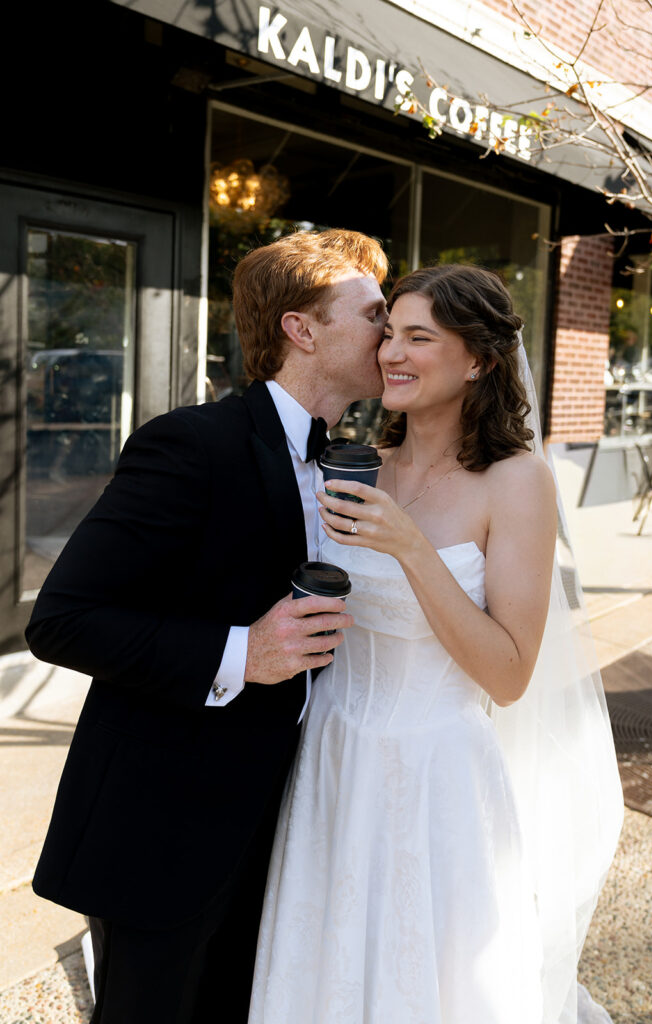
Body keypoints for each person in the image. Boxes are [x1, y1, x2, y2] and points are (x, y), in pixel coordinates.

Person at [25, 228, 389, 1024]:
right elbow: (62, 620)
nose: (389, 330)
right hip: (166, 824)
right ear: (301, 329)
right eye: (372, 313)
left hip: (287, 822)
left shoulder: (352, 462)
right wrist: (241, 652)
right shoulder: (191, 444)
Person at [248, 265, 623, 1023]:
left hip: (433, 776)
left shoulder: (516, 482)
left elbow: (508, 676)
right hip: (329, 757)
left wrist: (411, 547)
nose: (391, 352)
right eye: (389, 333)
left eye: (418, 337)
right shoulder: (356, 462)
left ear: (478, 359)